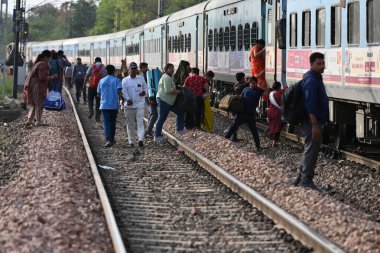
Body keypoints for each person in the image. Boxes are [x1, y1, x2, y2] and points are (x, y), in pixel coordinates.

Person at [293, 52, 329, 190]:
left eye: (323, 63)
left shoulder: (315, 78)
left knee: (309, 148)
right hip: (311, 121)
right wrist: (315, 125)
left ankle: (300, 178)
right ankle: (306, 180)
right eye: (319, 64)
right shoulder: (311, 80)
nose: (322, 66)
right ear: (312, 64)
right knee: (311, 150)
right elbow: (310, 104)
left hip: (312, 121)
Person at [225, 76, 263, 151]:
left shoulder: (259, 90)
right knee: (234, 126)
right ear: (249, 83)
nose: (255, 85)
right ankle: (226, 139)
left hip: (250, 114)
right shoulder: (245, 89)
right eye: (253, 83)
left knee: (254, 130)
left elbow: (266, 92)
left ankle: (258, 146)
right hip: (242, 113)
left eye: (256, 83)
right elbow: (241, 98)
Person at [23, 50, 58, 126]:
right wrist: (52, 77)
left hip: (34, 85)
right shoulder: (42, 65)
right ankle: (38, 121)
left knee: (34, 104)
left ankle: (29, 120)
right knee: (39, 103)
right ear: (45, 57)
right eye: (49, 58)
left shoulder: (39, 63)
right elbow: (42, 77)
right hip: (37, 86)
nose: (49, 60)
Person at [154, 63, 185, 142]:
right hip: (164, 101)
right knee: (162, 118)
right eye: (170, 68)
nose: (172, 69)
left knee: (180, 112)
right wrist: (177, 91)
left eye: (173, 68)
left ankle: (179, 129)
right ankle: (157, 136)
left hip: (168, 102)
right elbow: (168, 90)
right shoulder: (166, 78)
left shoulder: (167, 77)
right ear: (166, 69)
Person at [122, 62, 148, 147]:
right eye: (132, 69)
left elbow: (146, 88)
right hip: (129, 105)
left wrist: (144, 92)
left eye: (134, 68)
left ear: (136, 69)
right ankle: (131, 141)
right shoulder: (125, 80)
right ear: (129, 70)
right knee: (130, 124)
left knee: (140, 122)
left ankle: (140, 139)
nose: (133, 70)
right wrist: (128, 99)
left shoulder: (141, 78)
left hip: (139, 104)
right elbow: (123, 91)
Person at [97, 65, 123, 147]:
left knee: (106, 122)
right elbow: (119, 91)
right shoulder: (117, 80)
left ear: (106, 71)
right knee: (112, 122)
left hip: (104, 105)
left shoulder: (101, 81)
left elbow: (99, 93)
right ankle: (112, 139)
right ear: (114, 71)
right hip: (114, 105)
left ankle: (108, 139)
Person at [224, 72, 248, 141]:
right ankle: (230, 132)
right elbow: (238, 89)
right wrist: (246, 83)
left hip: (239, 106)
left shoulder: (241, 84)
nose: (245, 78)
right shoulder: (237, 85)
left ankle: (232, 135)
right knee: (236, 121)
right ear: (242, 78)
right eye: (244, 77)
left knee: (236, 121)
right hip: (237, 106)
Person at [84, 57, 106, 121]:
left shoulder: (92, 66)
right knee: (98, 102)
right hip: (100, 89)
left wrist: (84, 85)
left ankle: (91, 111)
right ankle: (97, 117)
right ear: (101, 61)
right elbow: (105, 78)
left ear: (95, 61)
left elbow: (87, 76)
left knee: (90, 99)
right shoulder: (103, 67)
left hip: (91, 87)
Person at [267, 81, 287, 147]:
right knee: (278, 127)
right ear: (279, 87)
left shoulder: (271, 93)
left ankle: (270, 133)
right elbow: (285, 90)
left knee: (272, 125)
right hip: (277, 112)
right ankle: (274, 142)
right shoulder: (279, 93)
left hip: (270, 111)